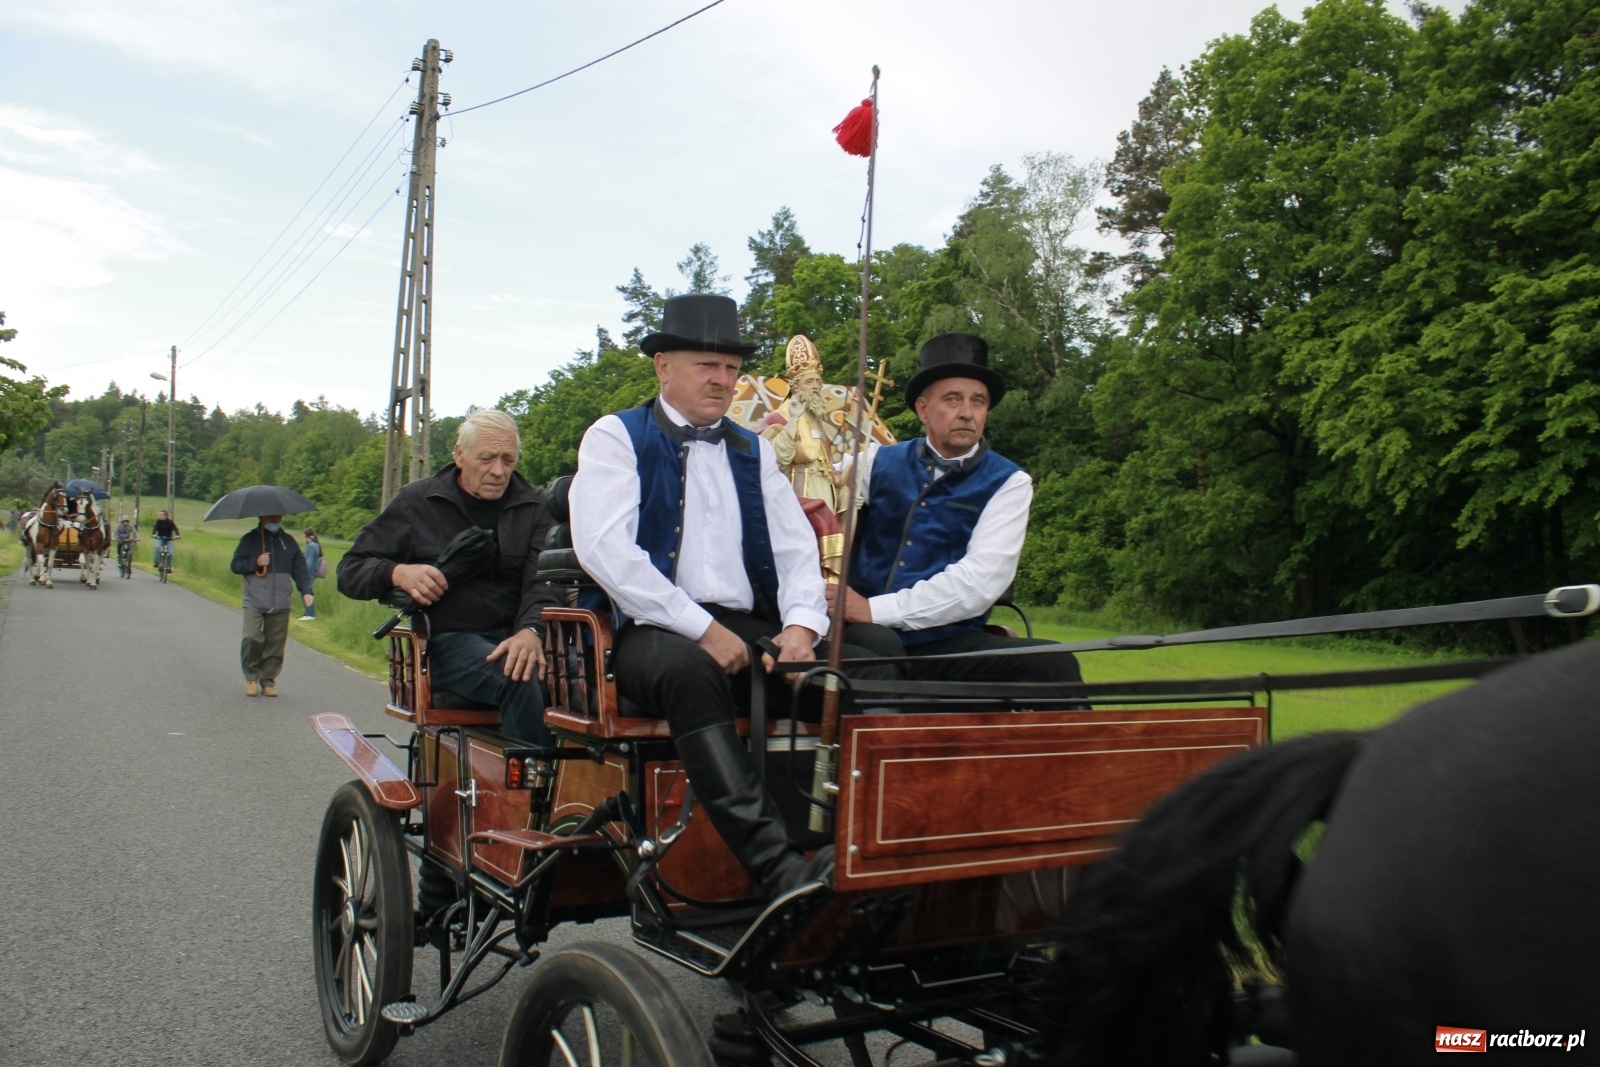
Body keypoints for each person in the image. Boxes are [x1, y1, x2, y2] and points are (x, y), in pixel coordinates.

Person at [569, 293, 898, 902]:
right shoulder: (615, 436)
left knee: (875, 656)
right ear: (662, 365)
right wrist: (701, 629)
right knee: (692, 674)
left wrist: (801, 629)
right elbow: (606, 552)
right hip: (652, 631)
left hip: (751, 625)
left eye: (729, 367)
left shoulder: (751, 449)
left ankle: (872, 847)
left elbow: (798, 548)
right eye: (705, 365)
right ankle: (779, 872)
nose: (721, 379)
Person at [840, 333, 1084, 690]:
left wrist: (876, 610)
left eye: (978, 402)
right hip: (866, 638)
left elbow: (979, 582)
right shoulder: (876, 461)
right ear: (924, 409)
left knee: (1052, 662)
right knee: (876, 651)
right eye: (953, 399)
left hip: (946, 645)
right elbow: (812, 485)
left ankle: (1080, 747)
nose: (967, 413)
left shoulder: (1009, 482)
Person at [337, 409, 558, 746]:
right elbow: (350, 570)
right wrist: (398, 572)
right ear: (459, 454)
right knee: (520, 677)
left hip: (519, 634)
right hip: (448, 641)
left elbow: (543, 583)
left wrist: (530, 632)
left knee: (594, 682)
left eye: (508, 459)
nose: (499, 471)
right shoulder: (417, 502)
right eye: (486, 458)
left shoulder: (536, 505)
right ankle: (533, 791)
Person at [230, 514, 314, 697]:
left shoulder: (288, 541)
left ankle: (268, 680)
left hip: (281, 601)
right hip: (254, 599)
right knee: (252, 637)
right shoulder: (250, 539)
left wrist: (306, 591)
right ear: (262, 517)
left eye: (278, 515)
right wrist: (256, 562)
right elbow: (236, 565)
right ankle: (251, 678)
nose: (275, 519)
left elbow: (299, 568)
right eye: (271, 516)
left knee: (275, 643)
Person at [300, 528, 322, 620]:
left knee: (306, 593)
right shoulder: (316, 545)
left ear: (307, 536)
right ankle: (308, 613)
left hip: (309, 573)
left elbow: (309, 562)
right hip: (312, 573)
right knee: (308, 592)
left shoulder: (311, 546)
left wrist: (304, 573)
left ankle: (309, 614)